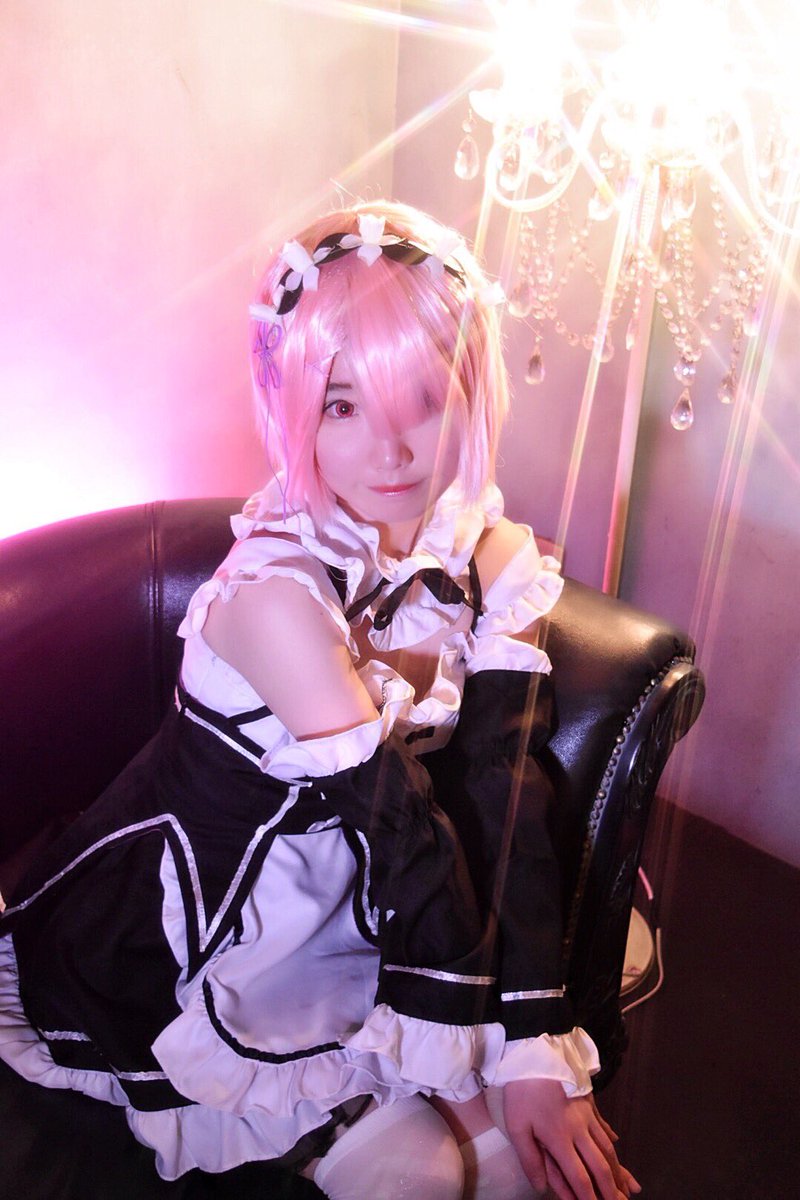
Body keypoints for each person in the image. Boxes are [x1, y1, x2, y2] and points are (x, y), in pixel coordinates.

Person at [0, 200, 639, 1200]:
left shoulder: (491, 558)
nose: (391, 451)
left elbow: (504, 789)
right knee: (430, 1172)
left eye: (422, 396)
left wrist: (532, 1040)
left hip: (359, 903)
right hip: (209, 934)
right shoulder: (275, 598)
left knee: (517, 1164)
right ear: (292, 410)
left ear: (473, 389)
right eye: (342, 406)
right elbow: (399, 827)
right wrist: (517, 1051)